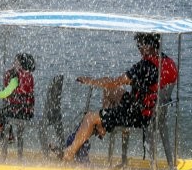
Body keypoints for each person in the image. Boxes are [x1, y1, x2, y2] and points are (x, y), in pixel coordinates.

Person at [60, 33, 175, 162]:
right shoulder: (168, 63)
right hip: (152, 109)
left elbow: (115, 82)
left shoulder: (144, 67)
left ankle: (69, 153)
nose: (139, 49)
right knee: (109, 90)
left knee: (89, 118)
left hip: (138, 114)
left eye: (140, 45)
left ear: (148, 46)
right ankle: (103, 126)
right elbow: (114, 86)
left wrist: (90, 81)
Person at [0, 53, 37, 143]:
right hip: (28, 111)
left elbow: (5, 93)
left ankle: (5, 136)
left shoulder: (15, 77)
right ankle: (9, 136)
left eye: (15, 62)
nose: (13, 64)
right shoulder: (29, 76)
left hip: (18, 110)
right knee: (7, 111)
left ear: (20, 65)